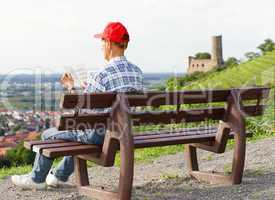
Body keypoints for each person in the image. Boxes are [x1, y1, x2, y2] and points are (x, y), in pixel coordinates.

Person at [11, 22, 144, 189]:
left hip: (100, 137)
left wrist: (71, 88)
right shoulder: (137, 72)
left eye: (102, 42)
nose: (101, 46)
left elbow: (82, 112)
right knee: (81, 137)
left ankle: (36, 179)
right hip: (124, 133)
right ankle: (59, 176)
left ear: (109, 43)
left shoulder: (101, 74)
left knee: (48, 134)